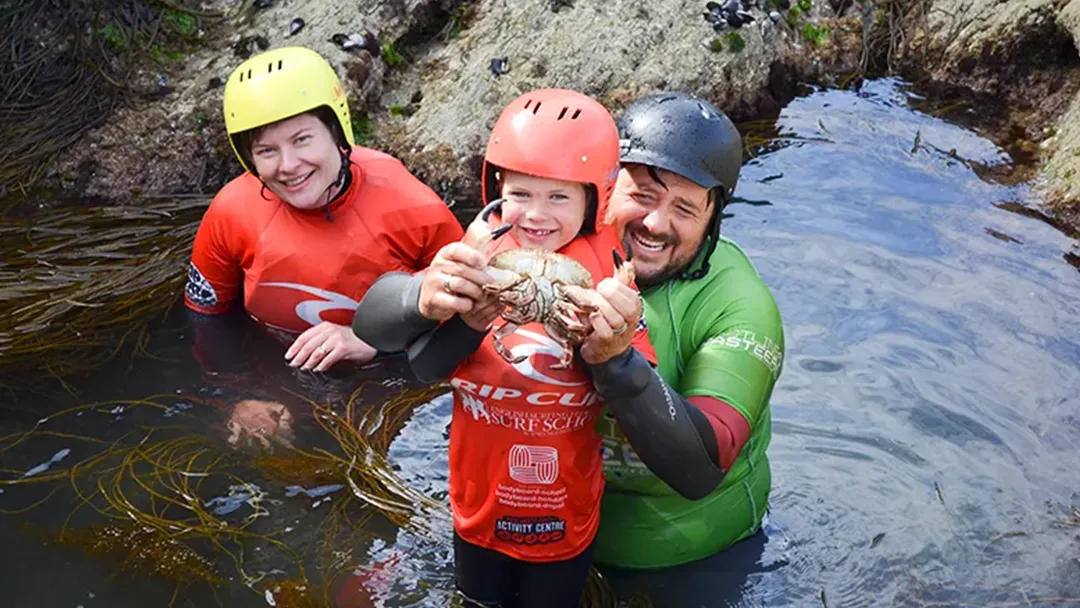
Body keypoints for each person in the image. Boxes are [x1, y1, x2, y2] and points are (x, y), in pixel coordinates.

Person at [352, 90, 785, 604]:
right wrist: (423, 299)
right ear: (605, 187)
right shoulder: (536, 239)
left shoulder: (738, 304)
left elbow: (700, 469)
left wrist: (618, 364)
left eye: (685, 208)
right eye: (643, 195)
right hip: (519, 523)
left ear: (715, 217)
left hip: (691, 557)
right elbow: (401, 336)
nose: (654, 223)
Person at [353, 88, 658, 608]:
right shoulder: (480, 255)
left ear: (596, 198)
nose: (536, 216)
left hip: (565, 512)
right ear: (495, 189)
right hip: (478, 506)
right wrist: (455, 316)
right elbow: (422, 364)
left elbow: (636, 398)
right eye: (520, 194)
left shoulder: (609, 277)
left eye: (559, 196)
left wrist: (602, 348)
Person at [182, 46, 463, 444]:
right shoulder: (231, 212)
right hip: (274, 373)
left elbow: (471, 320)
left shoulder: (413, 208)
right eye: (266, 151)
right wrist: (239, 395)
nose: (289, 165)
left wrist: (373, 342)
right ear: (248, 158)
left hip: (393, 381)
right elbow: (206, 320)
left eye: (302, 139)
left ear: (336, 130)